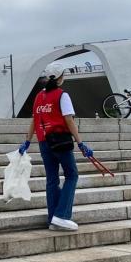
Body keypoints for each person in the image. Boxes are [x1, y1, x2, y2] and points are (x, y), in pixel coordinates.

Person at [19, 62, 94, 231]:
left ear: (47, 77)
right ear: (61, 77)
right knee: (72, 175)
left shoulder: (39, 96)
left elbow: (34, 120)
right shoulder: (62, 95)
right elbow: (69, 120)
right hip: (61, 141)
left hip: (44, 142)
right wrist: (81, 143)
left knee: (52, 180)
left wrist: (27, 141)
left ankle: (53, 219)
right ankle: (62, 215)